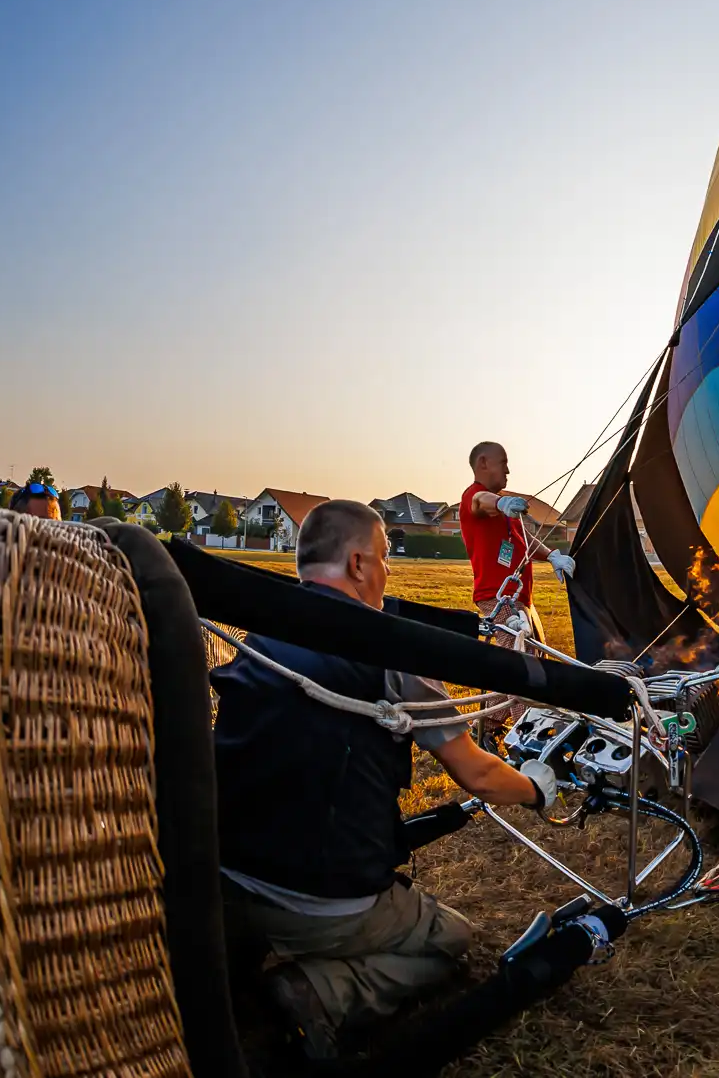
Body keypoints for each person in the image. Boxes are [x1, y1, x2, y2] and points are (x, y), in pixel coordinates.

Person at [211, 499, 614, 1058]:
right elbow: (477, 772)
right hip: (324, 897)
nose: (386, 571)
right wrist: (536, 788)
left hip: (223, 878)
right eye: (382, 558)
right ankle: (320, 993)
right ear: (357, 564)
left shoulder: (258, 638)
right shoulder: (388, 651)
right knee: (449, 939)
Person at [460, 441, 574, 645]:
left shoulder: (504, 511)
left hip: (518, 596)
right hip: (498, 595)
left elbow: (524, 538)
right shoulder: (474, 494)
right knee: (517, 648)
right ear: (483, 463)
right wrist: (499, 502)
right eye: (503, 463)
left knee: (534, 650)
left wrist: (552, 556)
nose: (507, 470)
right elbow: (480, 500)